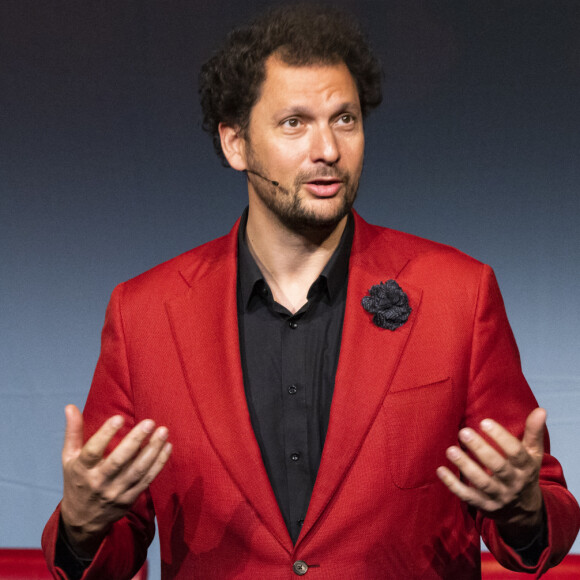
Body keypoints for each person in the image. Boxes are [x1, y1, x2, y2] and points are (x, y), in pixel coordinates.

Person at [42, 4, 579, 579]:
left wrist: (524, 511)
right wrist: (82, 525)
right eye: (294, 123)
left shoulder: (458, 295)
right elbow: (109, 541)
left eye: (344, 119)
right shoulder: (145, 314)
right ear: (235, 144)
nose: (327, 149)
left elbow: (541, 512)